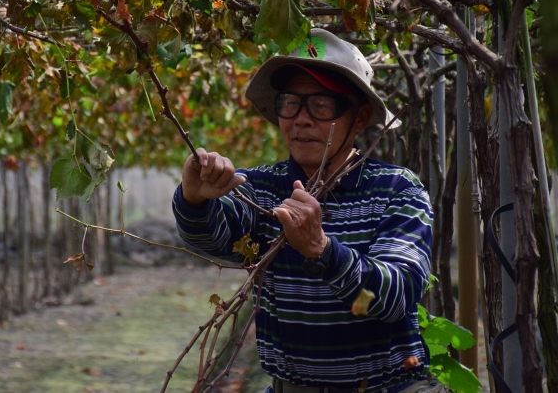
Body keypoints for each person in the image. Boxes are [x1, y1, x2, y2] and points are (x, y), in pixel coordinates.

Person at [172, 29, 434, 393]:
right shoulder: (260, 189)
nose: (302, 119)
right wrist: (194, 199)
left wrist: (323, 251)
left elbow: (394, 297)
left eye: (322, 105)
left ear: (359, 118)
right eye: (290, 103)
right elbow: (210, 238)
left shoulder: (397, 190)